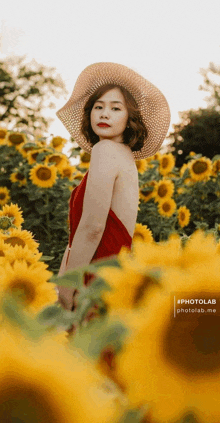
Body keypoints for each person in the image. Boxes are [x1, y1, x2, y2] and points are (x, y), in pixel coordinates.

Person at [55, 62, 170, 312]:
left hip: (93, 276)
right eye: (98, 107)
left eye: (115, 108)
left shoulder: (105, 151)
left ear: (130, 119)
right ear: (90, 113)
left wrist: (67, 285)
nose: (104, 114)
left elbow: (93, 228)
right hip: (112, 275)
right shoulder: (124, 156)